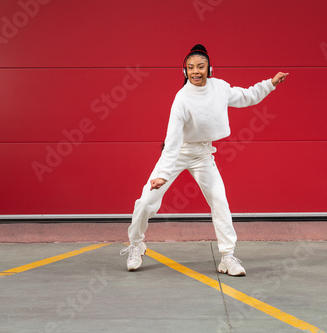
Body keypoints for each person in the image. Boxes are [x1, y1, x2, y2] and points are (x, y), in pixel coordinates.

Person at [120, 44, 288, 275]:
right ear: (184, 71)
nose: (195, 71)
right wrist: (163, 175)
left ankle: (227, 257)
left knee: (220, 201)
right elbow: (172, 140)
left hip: (202, 154)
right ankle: (137, 245)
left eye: (200, 66)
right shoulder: (181, 99)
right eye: (190, 67)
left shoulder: (219, 87)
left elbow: (246, 96)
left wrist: (270, 84)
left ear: (210, 69)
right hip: (178, 152)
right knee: (146, 202)